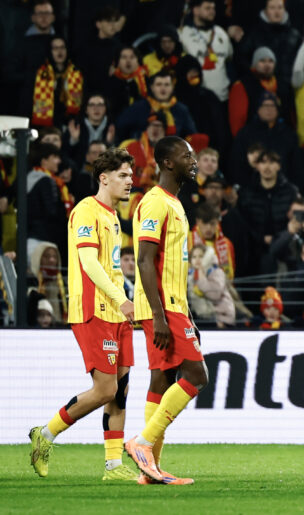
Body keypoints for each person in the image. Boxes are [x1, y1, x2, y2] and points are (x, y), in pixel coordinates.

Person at [28, 148, 137, 482]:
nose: (130, 181)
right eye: (123, 175)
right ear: (104, 178)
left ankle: (113, 467)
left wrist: (128, 302)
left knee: (120, 391)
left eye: (131, 175)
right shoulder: (85, 211)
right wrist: (121, 300)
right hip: (94, 309)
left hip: (118, 312)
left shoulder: (113, 216)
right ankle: (45, 434)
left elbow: (112, 268)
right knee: (104, 390)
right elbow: (88, 264)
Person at [125, 136, 205, 486]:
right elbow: (144, 259)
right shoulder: (155, 202)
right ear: (168, 163)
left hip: (173, 306)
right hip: (162, 307)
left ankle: (151, 470)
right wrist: (159, 315)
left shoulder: (173, 203)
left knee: (163, 378)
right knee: (197, 376)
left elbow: (173, 268)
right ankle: (141, 443)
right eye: (187, 156)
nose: (194, 161)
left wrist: (188, 316)